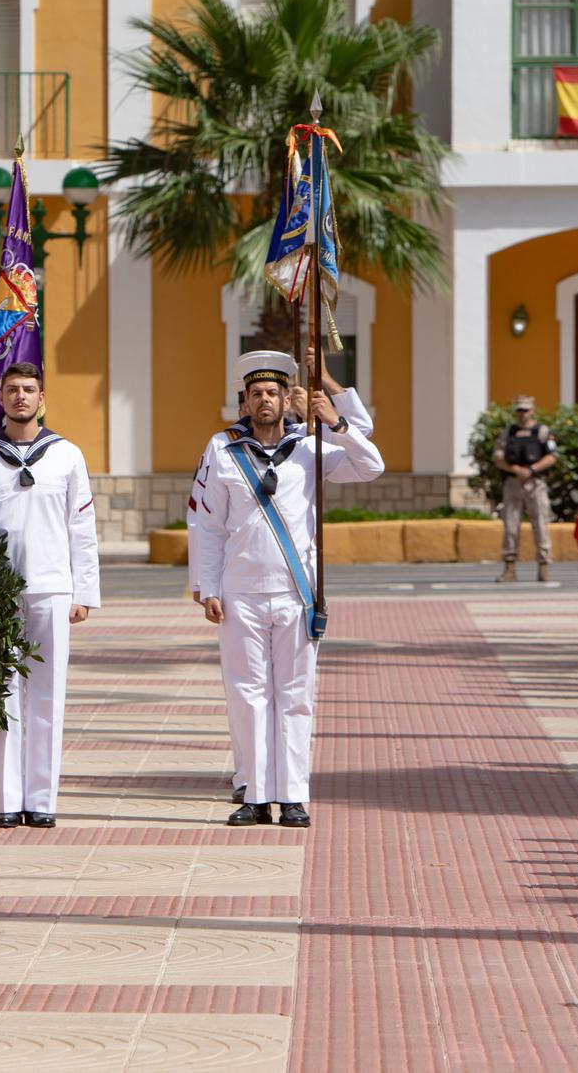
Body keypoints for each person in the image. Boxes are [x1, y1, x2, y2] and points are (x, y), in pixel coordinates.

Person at [194, 350, 385, 830]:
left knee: (296, 695)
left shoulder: (311, 445)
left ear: (287, 400)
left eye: (273, 392)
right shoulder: (221, 450)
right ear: (244, 402)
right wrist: (207, 585)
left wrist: (335, 421)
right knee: (248, 694)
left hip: (297, 592)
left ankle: (293, 795)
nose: (264, 400)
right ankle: (256, 794)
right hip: (240, 592)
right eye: (256, 393)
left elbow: (371, 466)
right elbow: (205, 524)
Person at [0, 361, 100, 829]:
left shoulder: (67, 455)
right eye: (13, 389)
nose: (21, 396)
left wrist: (84, 591)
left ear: (42, 398)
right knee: (2, 695)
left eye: (29, 390)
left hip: (52, 587)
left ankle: (41, 800)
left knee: (46, 695)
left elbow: (82, 527)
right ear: (0, 399)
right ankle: (6, 800)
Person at [493, 396, 556, 582]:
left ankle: (543, 567)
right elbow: (498, 457)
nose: (522, 414)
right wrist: (515, 469)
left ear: (532, 411)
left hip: (535, 484)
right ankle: (509, 568)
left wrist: (531, 469)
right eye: (519, 410)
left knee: (541, 525)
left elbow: (552, 456)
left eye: (526, 410)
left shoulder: (542, 432)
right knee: (510, 526)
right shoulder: (508, 433)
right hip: (513, 483)